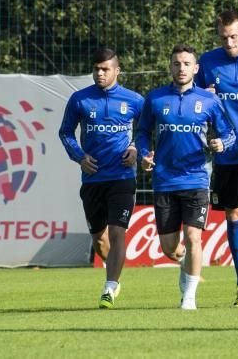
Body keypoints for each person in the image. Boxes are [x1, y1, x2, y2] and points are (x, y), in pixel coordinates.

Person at [136, 45, 236, 310]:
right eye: (177, 63)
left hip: (197, 179)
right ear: (170, 66)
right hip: (164, 181)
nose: (181, 68)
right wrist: (144, 156)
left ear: (196, 68)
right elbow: (143, 133)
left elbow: (229, 133)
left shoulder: (210, 101)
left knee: (194, 237)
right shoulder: (155, 99)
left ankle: (189, 295)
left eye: (186, 64)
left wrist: (221, 144)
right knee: (170, 248)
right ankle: (184, 264)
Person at [58, 48, 144, 309]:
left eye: (105, 69)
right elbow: (65, 133)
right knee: (100, 240)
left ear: (117, 71)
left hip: (122, 177)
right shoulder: (79, 100)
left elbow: (146, 131)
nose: (100, 73)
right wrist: (80, 156)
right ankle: (114, 274)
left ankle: (109, 287)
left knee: (118, 232)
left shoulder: (135, 100)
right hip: (93, 179)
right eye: (96, 69)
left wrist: (136, 149)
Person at [195, 10, 238, 307]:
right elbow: (193, 97)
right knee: (233, 214)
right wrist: (204, 93)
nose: (229, 42)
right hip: (225, 150)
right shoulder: (208, 62)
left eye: (234, 36)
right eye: (224, 37)